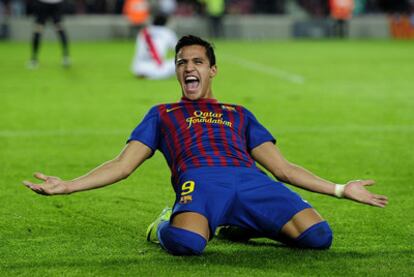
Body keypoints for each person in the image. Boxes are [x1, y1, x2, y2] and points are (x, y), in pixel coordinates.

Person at [23, 35, 388, 256]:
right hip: (200, 183)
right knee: (186, 244)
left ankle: (239, 225)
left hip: (251, 181)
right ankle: (165, 222)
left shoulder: (239, 113)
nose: (188, 68)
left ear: (212, 70)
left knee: (319, 238)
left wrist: (341, 189)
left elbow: (283, 169)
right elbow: (122, 165)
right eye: (181, 62)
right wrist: (68, 185)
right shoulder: (162, 113)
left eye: (197, 61)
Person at [131, 13, 177, 79]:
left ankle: (145, 73)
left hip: (138, 68)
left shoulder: (143, 31)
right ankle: (152, 75)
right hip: (157, 69)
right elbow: (178, 50)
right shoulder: (167, 32)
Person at [28, 0, 70, 69]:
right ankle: (34, 59)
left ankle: (66, 57)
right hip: (43, 4)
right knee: (39, 29)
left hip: (55, 4)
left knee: (59, 28)